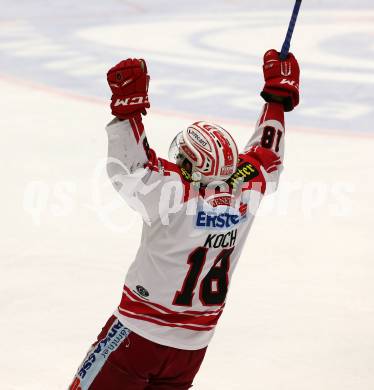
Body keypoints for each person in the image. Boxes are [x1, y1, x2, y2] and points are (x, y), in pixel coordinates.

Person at [69, 49, 300, 390]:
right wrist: (277, 99)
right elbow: (268, 156)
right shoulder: (246, 191)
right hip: (191, 349)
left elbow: (131, 168)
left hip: (138, 336)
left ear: (191, 165)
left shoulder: (172, 194)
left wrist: (128, 112)